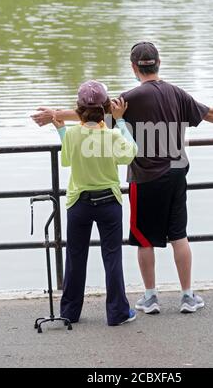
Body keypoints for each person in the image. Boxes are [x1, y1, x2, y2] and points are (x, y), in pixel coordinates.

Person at [32, 42, 213, 315]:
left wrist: (54, 115)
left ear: (134, 67)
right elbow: (212, 113)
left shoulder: (128, 99)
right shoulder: (178, 94)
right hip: (176, 173)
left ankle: (150, 297)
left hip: (145, 177)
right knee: (179, 235)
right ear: (159, 62)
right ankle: (186, 296)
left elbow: (91, 112)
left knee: (144, 239)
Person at [52, 80, 138, 326]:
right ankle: (118, 313)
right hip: (109, 201)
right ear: (106, 109)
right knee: (112, 257)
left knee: (75, 256)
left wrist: (60, 130)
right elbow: (131, 152)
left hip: (78, 202)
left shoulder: (73, 134)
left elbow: (67, 160)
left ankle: (69, 312)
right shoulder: (110, 135)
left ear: (78, 109)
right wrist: (120, 121)